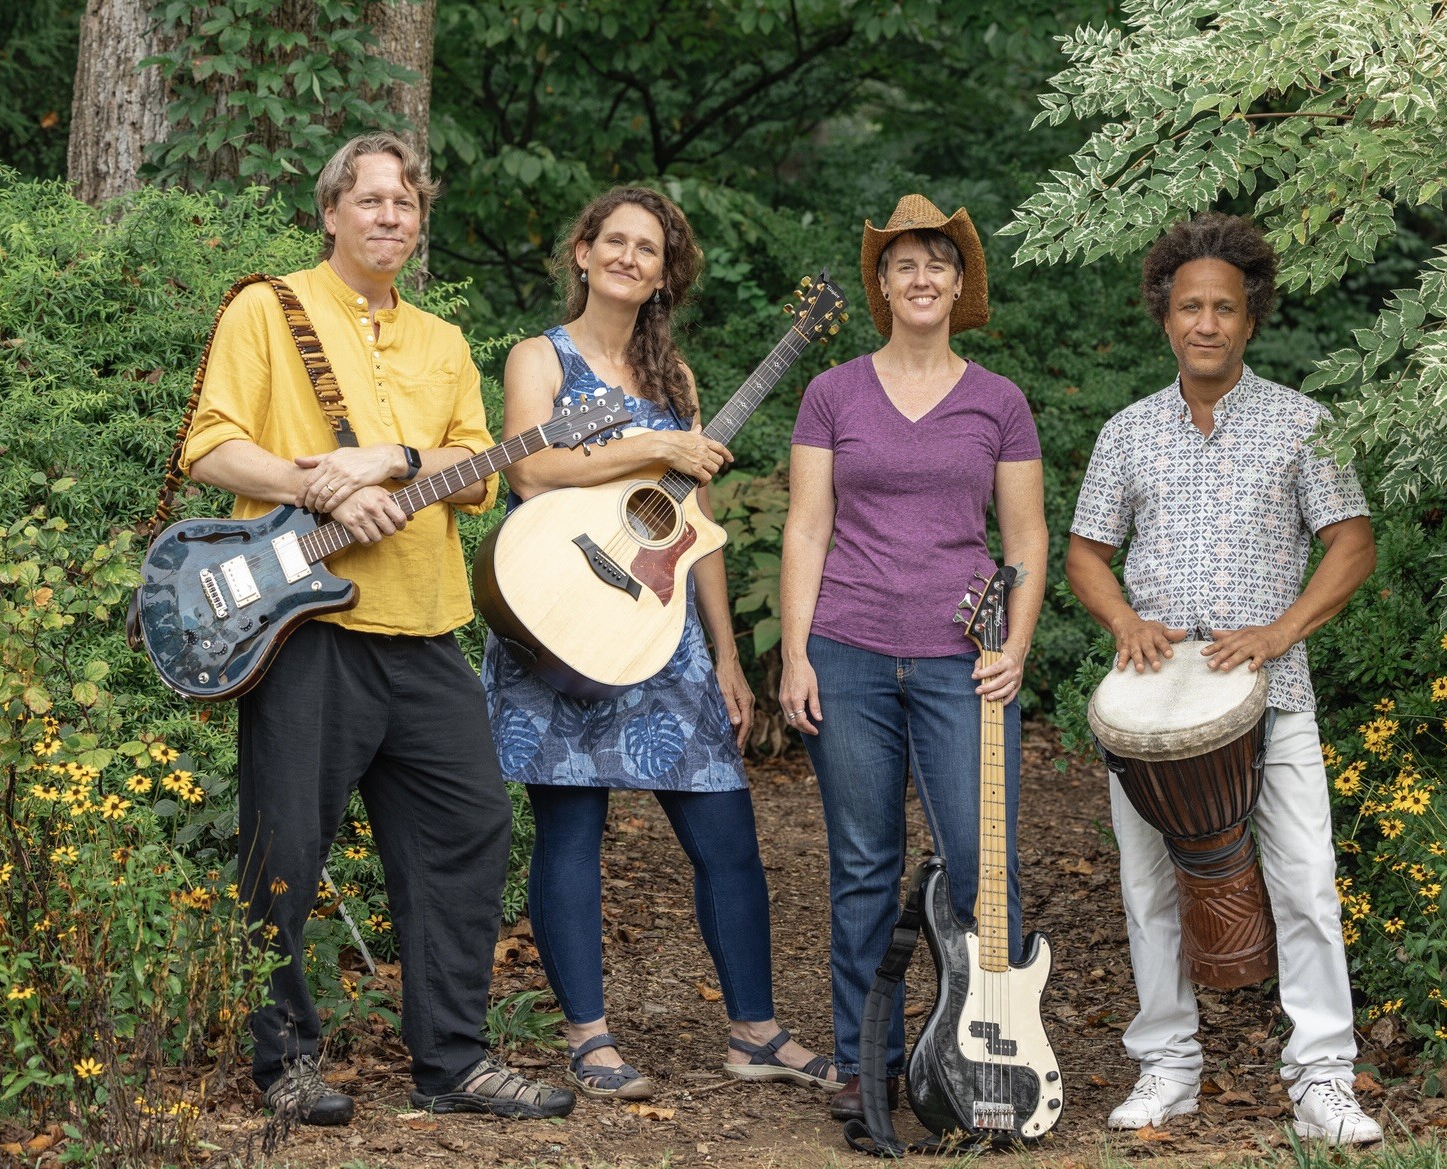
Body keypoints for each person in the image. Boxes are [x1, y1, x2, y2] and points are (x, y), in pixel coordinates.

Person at [182, 132, 574, 1124]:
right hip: (304, 629)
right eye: (371, 201)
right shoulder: (268, 309)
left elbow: (479, 470)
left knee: (471, 826)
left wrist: (396, 457)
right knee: (288, 843)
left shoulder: (444, 341)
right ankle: (286, 1062)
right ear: (330, 212)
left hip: (425, 626)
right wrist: (317, 482)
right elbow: (212, 447)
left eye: (406, 203)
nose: (390, 217)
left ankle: (451, 1061)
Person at [480, 186, 835, 1102]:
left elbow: (698, 526)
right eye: (617, 241)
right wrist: (654, 452)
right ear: (584, 252)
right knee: (572, 829)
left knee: (727, 832)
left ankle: (753, 1030)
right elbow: (528, 465)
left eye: (651, 249)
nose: (632, 257)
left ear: (664, 274)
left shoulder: (675, 385)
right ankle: (589, 1038)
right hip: (561, 614)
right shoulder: (539, 355)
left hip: (662, 622)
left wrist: (723, 650)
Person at [1065, 212, 1381, 1146]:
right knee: (1147, 888)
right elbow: (1085, 551)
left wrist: (1281, 631)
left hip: (1271, 697)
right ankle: (1166, 1066)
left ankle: (1323, 1078)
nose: (1205, 322)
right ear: (1164, 316)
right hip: (1151, 712)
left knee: (1308, 883)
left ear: (1250, 320)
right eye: (1189, 306)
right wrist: (1124, 619)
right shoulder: (1126, 432)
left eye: (1224, 308)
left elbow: (1351, 543)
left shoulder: (1301, 422)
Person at [779, 194, 1049, 1121]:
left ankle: (987, 1056)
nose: (922, 276)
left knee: (982, 860)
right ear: (883, 286)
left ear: (959, 281)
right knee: (862, 861)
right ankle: (871, 1069)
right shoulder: (834, 394)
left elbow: (1024, 539)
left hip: (961, 663)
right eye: (904, 264)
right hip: (845, 650)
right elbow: (807, 527)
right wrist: (795, 654)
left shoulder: (998, 401)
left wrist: (1014, 646)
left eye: (938, 261)